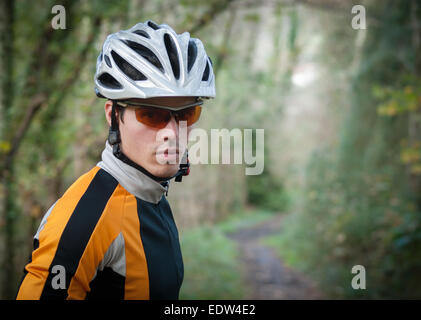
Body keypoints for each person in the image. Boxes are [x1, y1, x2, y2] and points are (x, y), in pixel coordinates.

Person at [16, 20, 215, 300]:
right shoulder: (82, 220)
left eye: (186, 114)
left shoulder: (152, 196)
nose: (173, 132)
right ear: (113, 115)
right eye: (152, 115)